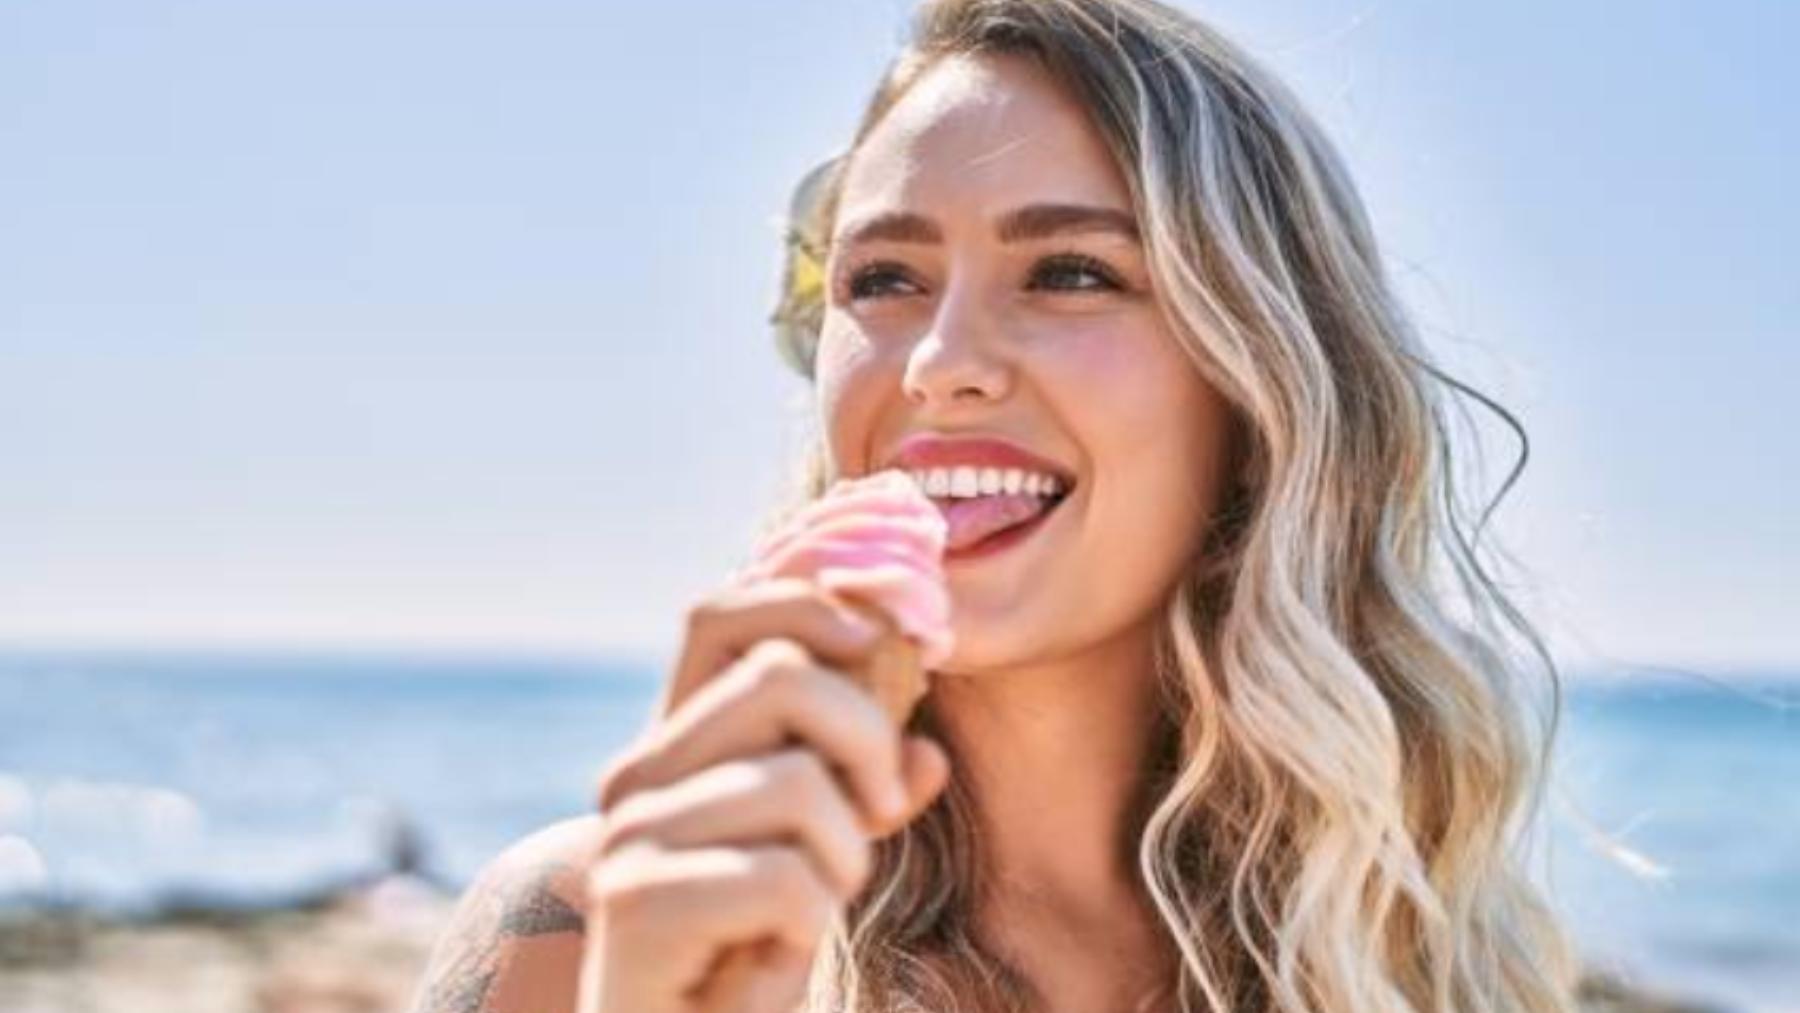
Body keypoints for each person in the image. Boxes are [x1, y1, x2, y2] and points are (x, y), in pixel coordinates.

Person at [409, 0, 1583, 1010]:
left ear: (1260, 378)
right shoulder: (580, 931)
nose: (937, 361)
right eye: (884, 280)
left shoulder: (1417, 960)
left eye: (1071, 272)